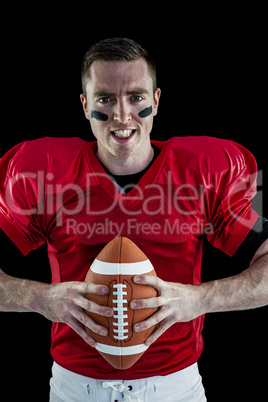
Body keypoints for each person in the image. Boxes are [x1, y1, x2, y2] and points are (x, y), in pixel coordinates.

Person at [0, 37, 268, 402]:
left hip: (175, 386)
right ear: (85, 105)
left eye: (136, 97)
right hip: (75, 387)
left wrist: (201, 299)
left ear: (156, 101)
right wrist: (37, 297)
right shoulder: (43, 173)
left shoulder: (203, 171)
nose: (122, 115)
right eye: (105, 99)